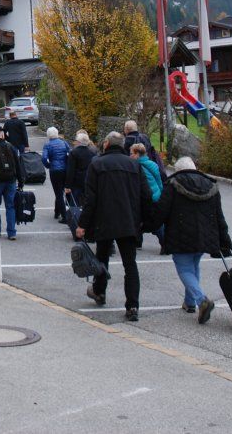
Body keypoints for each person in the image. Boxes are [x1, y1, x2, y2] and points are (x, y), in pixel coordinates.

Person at [76, 131, 152, 321]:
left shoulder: (97, 164)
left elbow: (90, 199)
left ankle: (100, 292)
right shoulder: (134, 164)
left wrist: (82, 224)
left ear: (107, 144)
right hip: (128, 221)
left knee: (102, 258)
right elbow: (146, 195)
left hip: (104, 220)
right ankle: (132, 306)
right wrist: (144, 220)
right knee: (130, 265)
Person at [148, 156, 232, 324]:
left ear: (178, 170)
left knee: (185, 268)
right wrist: (225, 239)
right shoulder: (211, 185)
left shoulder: (173, 184)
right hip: (204, 235)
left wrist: (150, 225)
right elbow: (218, 215)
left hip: (180, 234)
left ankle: (201, 300)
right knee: (193, 265)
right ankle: (189, 302)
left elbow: (162, 210)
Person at [131, 142, 165, 251]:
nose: (130, 155)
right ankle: (164, 242)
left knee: (137, 219)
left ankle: (137, 242)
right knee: (156, 220)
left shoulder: (134, 166)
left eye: (131, 153)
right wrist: (161, 193)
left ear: (136, 154)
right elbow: (159, 180)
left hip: (143, 197)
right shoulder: (153, 164)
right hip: (155, 196)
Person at [42, 126, 72, 222]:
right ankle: (56, 212)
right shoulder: (64, 143)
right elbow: (70, 154)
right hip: (65, 169)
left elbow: (44, 158)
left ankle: (64, 216)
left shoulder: (47, 145)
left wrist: (48, 165)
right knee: (61, 191)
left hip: (54, 170)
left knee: (58, 192)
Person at [65, 130, 98, 210]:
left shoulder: (74, 153)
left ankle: (74, 218)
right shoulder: (91, 152)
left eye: (75, 141)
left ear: (79, 142)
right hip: (88, 180)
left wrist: (67, 185)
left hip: (76, 182)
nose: (74, 143)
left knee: (74, 202)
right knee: (86, 202)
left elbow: (71, 170)